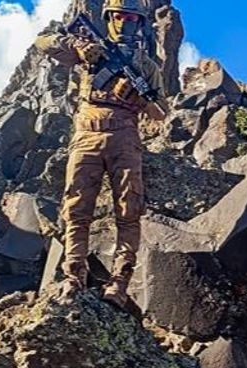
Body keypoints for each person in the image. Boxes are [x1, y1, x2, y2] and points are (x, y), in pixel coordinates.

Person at [34, 0, 167, 311]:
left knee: (129, 210)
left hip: (125, 137)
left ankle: (119, 283)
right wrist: (77, 46)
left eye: (132, 17)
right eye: (120, 16)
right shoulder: (91, 49)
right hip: (86, 135)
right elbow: (42, 41)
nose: (126, 23)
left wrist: (139, 98)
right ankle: (73, 276)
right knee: (76, 208)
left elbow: (161, 113)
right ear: (109, 19)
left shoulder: (147, 67)